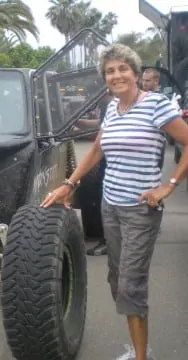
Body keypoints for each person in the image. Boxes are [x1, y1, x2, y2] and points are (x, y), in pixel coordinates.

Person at [41, 43, 188, 360]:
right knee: (117, 280)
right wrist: (70, 184)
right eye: (110, 71)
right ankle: (136, 349)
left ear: (135, 71)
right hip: (111, 207)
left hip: (140, 210)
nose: (116, 76)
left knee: (130, 285)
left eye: (122, 69)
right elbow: (97, 148)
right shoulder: (112, 108)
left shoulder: (157, 105)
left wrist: (168, 186)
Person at [72, 91, 113, 256]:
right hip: (106, 161)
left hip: (109, 162)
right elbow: (99, 124)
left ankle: (107, 240)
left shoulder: (111, 105)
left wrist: (76, 131)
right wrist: (81, 122)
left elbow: (101, 139)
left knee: (103, 199)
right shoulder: (109, 107)